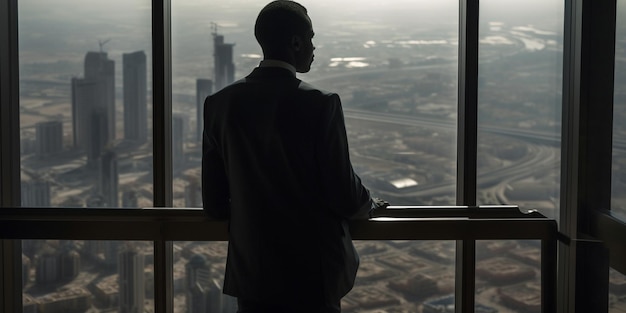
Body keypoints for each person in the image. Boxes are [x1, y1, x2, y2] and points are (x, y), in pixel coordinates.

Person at [202, 1, 386, 312]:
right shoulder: (320, 104)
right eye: (311, 38)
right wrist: (369, 204)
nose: (314, 47)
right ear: (296, 42)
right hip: (311, 278)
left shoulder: (219, 104)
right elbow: (344, 192)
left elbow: (215, 205)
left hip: (254, 278)